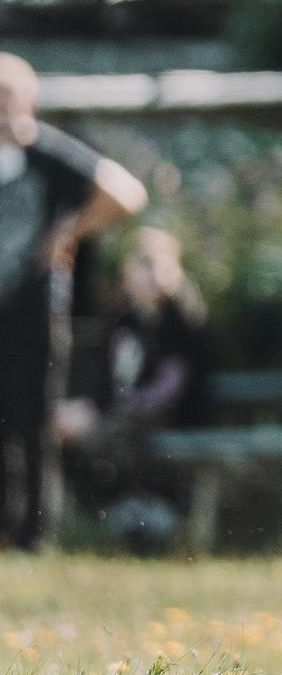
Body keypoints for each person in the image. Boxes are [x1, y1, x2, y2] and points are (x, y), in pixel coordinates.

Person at [0, 52, 148, 551]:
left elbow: (126, 193)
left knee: (31, 420)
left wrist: (69, 232)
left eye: (6, 96)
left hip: (33, 313)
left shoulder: (48, 153)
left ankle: (32, 537)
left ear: (28, 102)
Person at [53, 228, 209, 548]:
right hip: (124, 415)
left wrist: (102, 414)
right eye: (146, 265)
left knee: (107, 435)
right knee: (58, 424)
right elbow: (105, 380)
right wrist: (88, 408)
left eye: (164, 266)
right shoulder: (121, 318)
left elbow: (168, 390)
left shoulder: (181, 319)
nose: (156, 276)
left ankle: (114, 515)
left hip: (168, 416)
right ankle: (68, 519)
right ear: (128, 270)